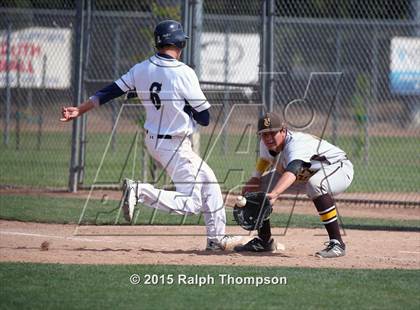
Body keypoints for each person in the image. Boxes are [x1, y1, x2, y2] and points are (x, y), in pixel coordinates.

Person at [60, 20, 242, 251]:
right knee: (192, 202)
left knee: (210, 182)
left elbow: (109, 92)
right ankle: (140, 191)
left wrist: (79, 109)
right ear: (178, 42)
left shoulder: (141, 68)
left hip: (156, 140)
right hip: (174, 144)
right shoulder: (184, 72)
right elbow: (205, 117)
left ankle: (217, 239)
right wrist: (185, 108)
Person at [235, 112, 354, 258]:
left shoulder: (296, 143)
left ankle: (337, 244)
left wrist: (275, 193)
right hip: (305, 173)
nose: (268, 138)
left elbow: (293, 170)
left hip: (337, 168)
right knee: (259, 189)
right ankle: (264, 241)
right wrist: (254, 179)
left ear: (283, 130)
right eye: (264, 134)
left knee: (315, 184)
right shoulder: (266, 143)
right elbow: (265, 159)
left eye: (272, 133)